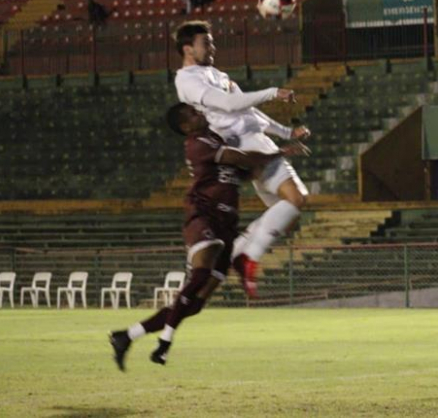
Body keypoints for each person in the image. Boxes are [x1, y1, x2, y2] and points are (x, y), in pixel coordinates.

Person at [108, 104, 309, 370]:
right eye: (193, 114)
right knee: (201, 274)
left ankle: (126, 336)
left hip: (227, 225)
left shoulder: (215, 138)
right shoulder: (197, 143)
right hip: (204, 216)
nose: (200, 114)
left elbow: (244, 170)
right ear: (185, 127)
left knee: (196, 305)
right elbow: (241, 158)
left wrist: (271, 162)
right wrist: (279, 151)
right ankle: (165, 341)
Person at [173, 20, 311, 297]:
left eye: (212, 42)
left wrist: (285, 132)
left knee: (289, 216)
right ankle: (246, 255)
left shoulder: (217, 74)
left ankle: (239, 251)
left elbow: (248, 112)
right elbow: (228, 104)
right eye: (206, 43)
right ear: (188, 49)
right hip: (243, 143)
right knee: (296, 199)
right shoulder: (187, 79)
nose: (212, 47)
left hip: (254, 139)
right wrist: (272, 92)